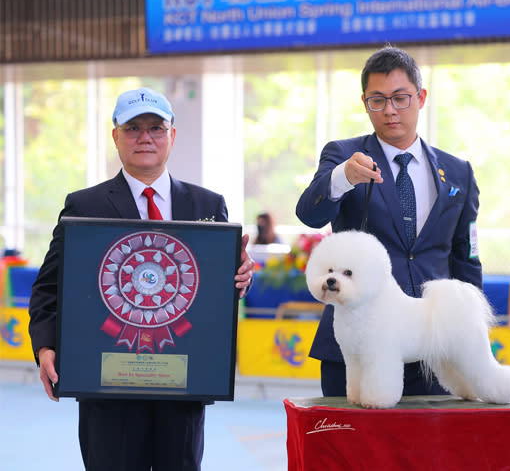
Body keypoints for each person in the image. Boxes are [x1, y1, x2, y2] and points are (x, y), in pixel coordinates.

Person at [27, 86, 256, 471]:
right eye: (133, 128)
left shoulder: (207, 205)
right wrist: (46, 347)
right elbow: (50, 286)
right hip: (106, 384)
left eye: (156, 127)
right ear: (115, 135)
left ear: (173, 135)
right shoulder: (84, 205)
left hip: (184, 381)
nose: (145, 137)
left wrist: (241, 277)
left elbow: (216, 289)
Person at [296, 45, 482, 397]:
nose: (390, 111)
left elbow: (466, 255)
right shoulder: (342, 156)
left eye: (401, 98)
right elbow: (309, 212)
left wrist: (471, 322)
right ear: (364, 102)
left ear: (421, 97)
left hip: (434, 345)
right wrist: (343, 178)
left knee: (431, 451)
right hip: (357, 346)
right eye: (377, 101)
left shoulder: (458, 172)